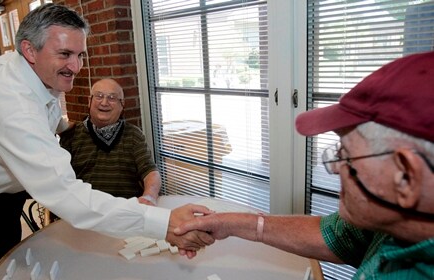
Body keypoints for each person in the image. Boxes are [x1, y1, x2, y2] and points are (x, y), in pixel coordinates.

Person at [0, 3, 213, 268]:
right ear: (29, 50)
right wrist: (162, 224)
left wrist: (63, 126)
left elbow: (44, 110)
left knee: (12, 252)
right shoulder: (11, 107)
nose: (77, 67)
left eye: (80, 55)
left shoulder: (31, 70)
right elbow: (67, 195)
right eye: (65, 54)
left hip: (6, 189)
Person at [175, 51, 434, 279]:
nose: (333, 169)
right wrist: (227, 223)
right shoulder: (392, 219)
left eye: (347, 157)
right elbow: (336, 236)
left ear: (406, 176)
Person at [60, 78, 160, 206]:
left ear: (122, 104)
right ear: (89, 102)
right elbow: (61, 178)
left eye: (112, 98)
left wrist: (149, 196)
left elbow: (150, 170)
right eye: (99, 96)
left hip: (126, 210)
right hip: (84, 211)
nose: (104, 102)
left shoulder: (133, 134)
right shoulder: (72, 134)